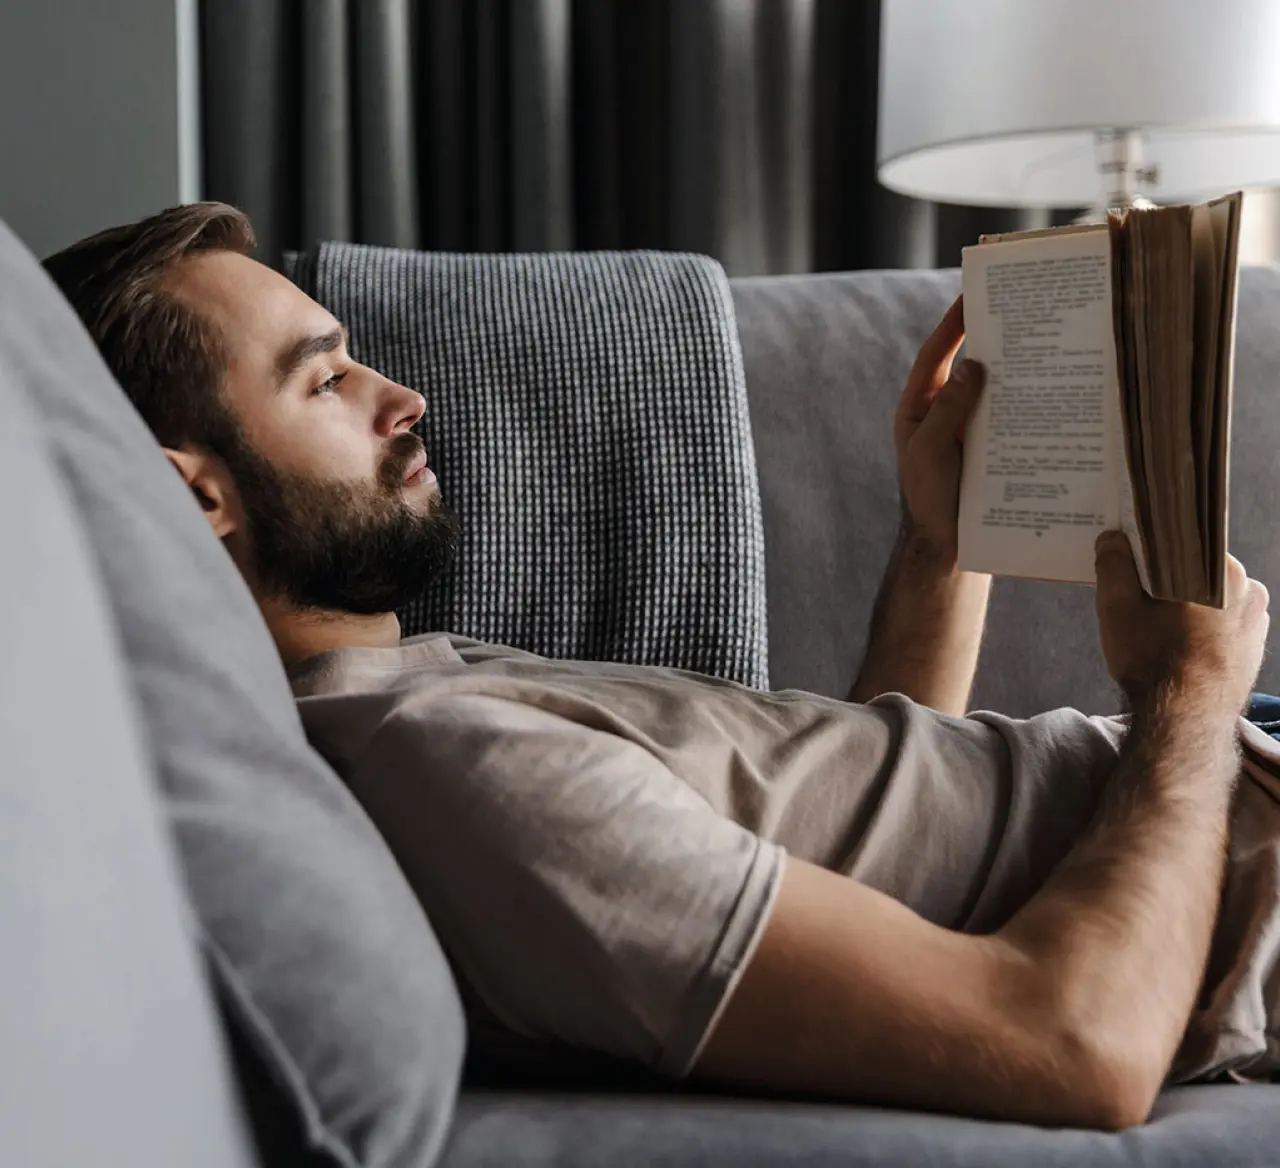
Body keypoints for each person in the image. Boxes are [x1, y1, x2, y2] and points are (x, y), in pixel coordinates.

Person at [45, 202, 1279, 1132]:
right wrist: (1186, 692)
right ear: (192, 492)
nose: (405, 395)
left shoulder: (425, 699)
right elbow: (1074, 1045)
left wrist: (937, 545)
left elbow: (865, 831)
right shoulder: (451, 771)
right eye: (323, 378)